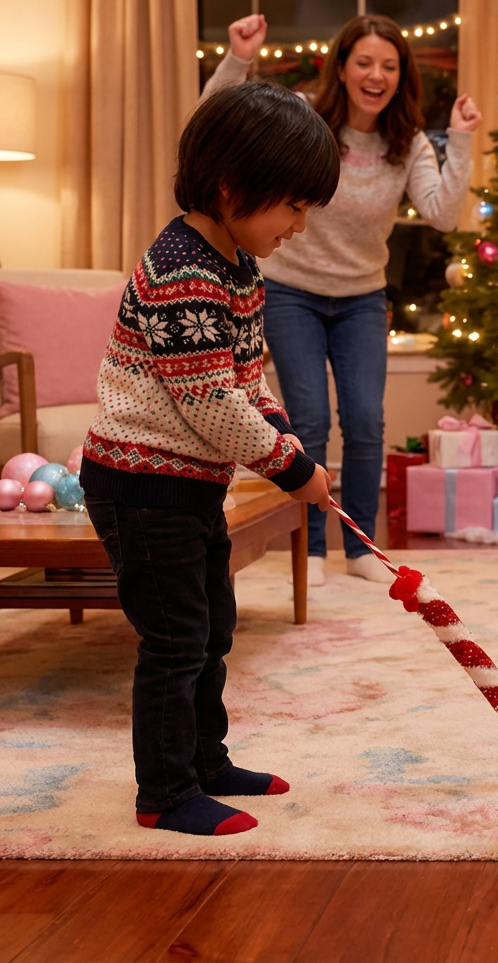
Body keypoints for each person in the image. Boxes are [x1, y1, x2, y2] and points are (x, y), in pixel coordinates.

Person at [81, 83, 338, 837]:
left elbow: (246, 378)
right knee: (175, 640)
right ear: (231, 189)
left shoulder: (238, 266)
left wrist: (286, 435)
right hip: (140, 484)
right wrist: (291, 470)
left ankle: (205, 760)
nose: (298, 226)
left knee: (213, 628)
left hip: (189, 484)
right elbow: (208, 402)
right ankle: (165, 792)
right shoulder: (181, 272)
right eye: (292, 207)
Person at [202, 13, 480, 586]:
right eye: (365, 62)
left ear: (401, 78)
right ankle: (311, 550)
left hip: (361, 298)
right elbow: (215, 123)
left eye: (389, 66)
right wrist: (238, 59)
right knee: (306, 419)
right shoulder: (307, 119)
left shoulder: (406, 144)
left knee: (365, 421)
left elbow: (443, 214)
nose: (376, 75)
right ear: (343, 67)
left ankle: (360, 550)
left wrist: (460, 140)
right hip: (293, 292)